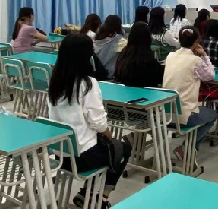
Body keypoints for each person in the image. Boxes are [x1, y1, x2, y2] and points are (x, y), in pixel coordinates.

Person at [48, 34, 131, 209]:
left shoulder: (55, 82)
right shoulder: (87, 84)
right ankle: (101, 197)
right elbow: (99, 123)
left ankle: (87, 192)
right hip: (84, 157)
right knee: (122, 148)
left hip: (61, 154)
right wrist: (109, 136)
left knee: (107, 148)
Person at [162, 26, 217, 162]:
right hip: (185, 116)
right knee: (212, 115)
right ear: (197, 42)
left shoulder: (170, 56)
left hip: (165, 114)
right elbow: (210, 76)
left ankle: (187, 149)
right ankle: (187, 148)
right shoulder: (196, 61)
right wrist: (204, 55)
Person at [114, 22, 164, 88]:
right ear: (148, 39)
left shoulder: (122, 56)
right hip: (147, 93)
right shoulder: (149, 61)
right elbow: (160, 78)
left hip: (124, 93)